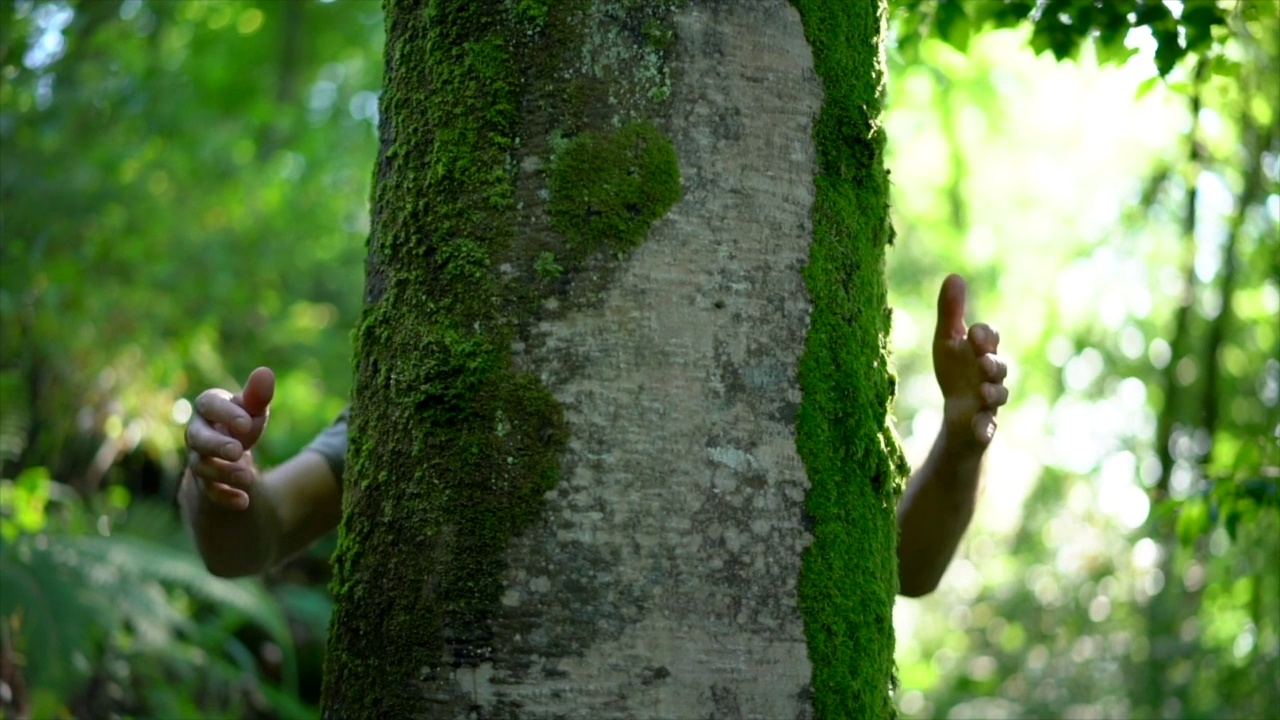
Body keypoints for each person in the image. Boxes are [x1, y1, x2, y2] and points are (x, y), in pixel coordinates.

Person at [179, 274, 1008, 596]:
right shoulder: (453, 382)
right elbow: (254, 535)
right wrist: (219, 482)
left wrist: (961, 445)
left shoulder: (785, 378)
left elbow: (903, 565)